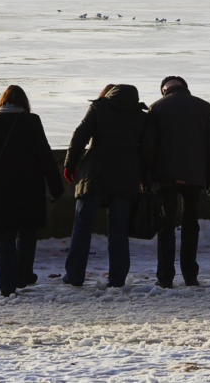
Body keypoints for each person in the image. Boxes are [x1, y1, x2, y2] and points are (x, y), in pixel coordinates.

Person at [0, 85, 64, 296]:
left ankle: (6, 285)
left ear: (1, 102)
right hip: (30, 189)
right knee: (27, 234)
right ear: (24, 103)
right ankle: (23, 275)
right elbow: (46, 158)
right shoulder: (32, 122)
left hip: (1, 191)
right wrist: (56, 188)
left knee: (5, 238)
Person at [63, 83, 148, 288]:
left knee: (82, 228)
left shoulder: (99, 108)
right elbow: (147, 151)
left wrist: (69, 165)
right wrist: (144, 179)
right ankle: (117, 278)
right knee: (119, 232)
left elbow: (79, 136)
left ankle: (75, 275)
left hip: (94, 176)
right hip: (125, 179)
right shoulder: (142, 116)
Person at [143, 75, 210, 288]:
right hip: (194, 176)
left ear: (164, 90)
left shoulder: (156, 108)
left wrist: (146, 178)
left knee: (166, 226)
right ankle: (190, 275)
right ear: (185, 88)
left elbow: (148, 147)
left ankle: (165, 277)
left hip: (165, 178)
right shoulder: (203, 107)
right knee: (190, 225)